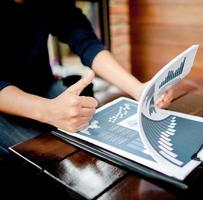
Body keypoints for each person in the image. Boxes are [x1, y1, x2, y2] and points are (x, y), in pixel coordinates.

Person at [0, 0, 173, 155]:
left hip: (42, 85)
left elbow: (85, 40)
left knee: (98, 139)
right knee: (54, 155)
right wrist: (47, 111)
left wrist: (137, 88)